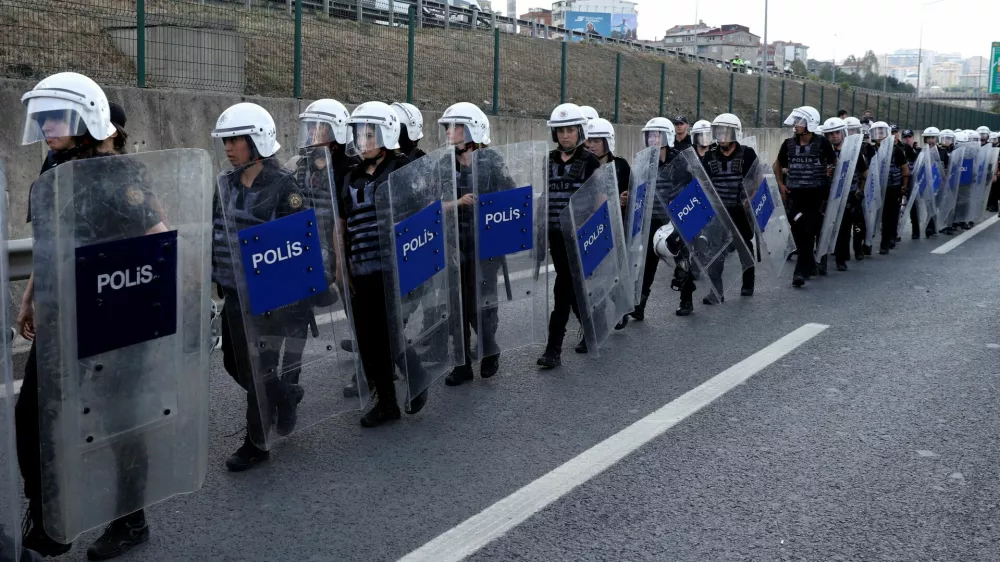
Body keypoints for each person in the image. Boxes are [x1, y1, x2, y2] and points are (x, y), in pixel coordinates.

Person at [18, 73, 160, 560]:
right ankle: (49, 517)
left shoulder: (120, 174)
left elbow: (158, 238)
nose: (46, 127)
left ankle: (130, 520)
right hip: (60, 314)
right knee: (33, 417)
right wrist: (31, 297)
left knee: (120, 420)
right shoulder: (51, 169)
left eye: (56, 118)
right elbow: (47, 245)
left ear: (86, 121)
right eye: (43, 119)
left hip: (112, 315)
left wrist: (150, 306)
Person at [211, 103, 306, 468]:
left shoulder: (284, 186)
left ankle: (256, 444)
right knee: (233, 363)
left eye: (235, 139)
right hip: (234, 290)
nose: (228, 147)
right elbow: (216, 229)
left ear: (257, 141)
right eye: (225, 140)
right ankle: (284, 395)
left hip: (270, 295)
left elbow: (297, 242)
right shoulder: (225, 184)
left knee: (258, 365)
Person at [337, 101, 432, 425]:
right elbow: (342, 225)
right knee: (367, 338)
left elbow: (423, 213)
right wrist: (342, 267)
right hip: (361, 267)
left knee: (389, 332)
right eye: (359, 134)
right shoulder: (350, 176)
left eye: (369, 134)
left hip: (393, 267)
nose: (362, 141)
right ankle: (387, 401)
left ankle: (412, 379)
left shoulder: (403, 169)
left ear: (387, 135)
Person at [438, 102, 511, 385]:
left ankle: (489, 349)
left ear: (473, 130)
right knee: (458, 307)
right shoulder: (444, 164)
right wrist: (456, 203)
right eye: (448, 127)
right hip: (454, 245)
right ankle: (462, 364)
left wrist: (490, 207)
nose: (450, 131)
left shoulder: (491, 161)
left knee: (481, 303)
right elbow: (432, 204)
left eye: (456, 127)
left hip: (486, 245)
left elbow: (511, 197)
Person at [536, 104, 601, 369]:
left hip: (578, 236)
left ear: (579, 132)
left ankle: (553, 349)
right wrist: (539, 228)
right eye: (561, 130)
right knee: (572, 287)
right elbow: (546, 196)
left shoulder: (590, 161)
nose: (565, 135)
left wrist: (591, 230)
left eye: (570, 130)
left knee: (562, 289)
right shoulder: (549, 160)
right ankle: (591, 328)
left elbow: (598, 200)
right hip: (555, 234)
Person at [774, 106, 837, 287]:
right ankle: (810, 265)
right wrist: (780, 184)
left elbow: (834, 163)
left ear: (810, 123)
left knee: (808, 231)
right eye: (796, 121)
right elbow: (778, 164)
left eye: (800, 121)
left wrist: (830, 172)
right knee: (798, 231)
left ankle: (799, 272)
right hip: (794, 195)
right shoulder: (788, 144)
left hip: (816, 195)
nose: (796, 125)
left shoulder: (822, 143)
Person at [699, 113, 756, 301]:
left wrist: (750, 199)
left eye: (725, 131)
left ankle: (748, 283)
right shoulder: (709, 156)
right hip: (718, 210)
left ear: (734, 133)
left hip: (740, 209)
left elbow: (757, 179)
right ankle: (716, 291)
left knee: (744, 246)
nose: (721, 135)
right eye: (719, 131)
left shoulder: (747, 153)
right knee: (715, 250)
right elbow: (703, 182)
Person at [628, 117, 680, 318]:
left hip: (675, 218)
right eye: (650, 136)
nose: (653, 139)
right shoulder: (643, 161)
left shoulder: (679, 160)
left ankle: (686, 299)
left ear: (667, 136)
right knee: (648, 261)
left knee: (684, 260)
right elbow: (636, 188)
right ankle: (639, 304)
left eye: (657, 135)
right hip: (652, 217)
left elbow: (688, 187)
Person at [585, 118, 632, 331]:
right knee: (594, 276)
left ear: (607, 141)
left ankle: (621, 306)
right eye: (589, 140)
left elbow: (632, 191)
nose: (591, 145)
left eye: (596, 140)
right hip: (591, 227)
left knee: (613, 272)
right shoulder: (584, 164)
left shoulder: (621, 165)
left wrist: (625, 198)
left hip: (614, 225)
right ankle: (598, 318)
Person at [825, 117, 868, 271]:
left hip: (848, 195)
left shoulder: (854, 152)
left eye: (837, 132)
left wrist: (859, 190)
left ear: (843, 133)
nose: (834, 136)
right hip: (828, 195)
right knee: (824, 228)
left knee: (844, 228)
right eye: (831, 134)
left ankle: (841, 259)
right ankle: (821, 260)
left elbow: (865, 173)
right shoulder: (823, 152)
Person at [868, 121, 908, 254]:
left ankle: (886, 242)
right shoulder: (869, 150)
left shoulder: (896, 150)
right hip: (874, 188)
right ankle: (867, 242)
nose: (879, 135)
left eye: (882, 132)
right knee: (870, 216)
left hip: (892, 188)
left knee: (889, 216)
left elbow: (904, 169)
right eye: (877, 132)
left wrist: (904, 185)